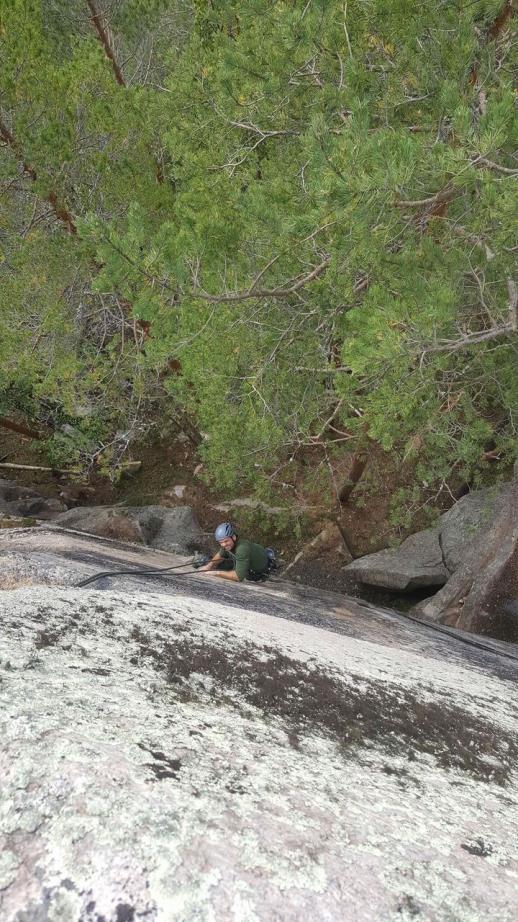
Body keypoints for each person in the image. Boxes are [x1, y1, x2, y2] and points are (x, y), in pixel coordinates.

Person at [198, 522, 275, 583]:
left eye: (226, 541)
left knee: (221, 568)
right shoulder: (230, 545)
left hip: (258, 573)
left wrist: (216, 573)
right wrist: (209, 565)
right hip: (252, 556)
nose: (223, 544)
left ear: (234, 537)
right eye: (221, 542)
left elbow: (238, 577)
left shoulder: (242, 549)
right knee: (208, 561)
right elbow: (221, 554)